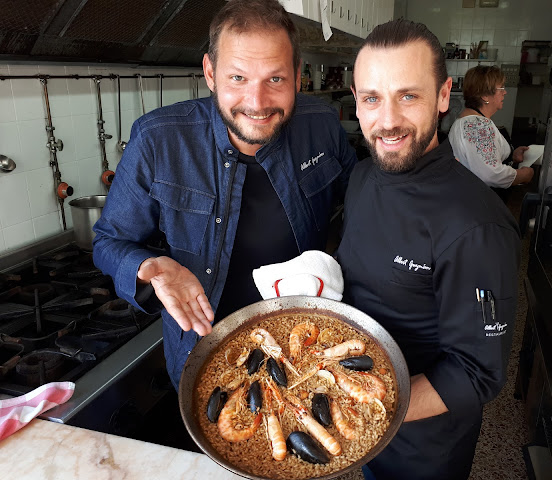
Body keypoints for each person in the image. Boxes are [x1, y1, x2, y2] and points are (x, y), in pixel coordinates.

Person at [92, 0, 357, 391]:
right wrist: (149, 267)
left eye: (276, 79)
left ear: (298, 77)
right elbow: (108, 242)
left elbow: (361, 208)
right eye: (237, 78)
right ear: (210, 73)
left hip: (304, 346)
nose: (257, 101)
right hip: (205, 352)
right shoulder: (157, 139)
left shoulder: (321, 126)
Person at [336, 19, 521, 479]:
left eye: (409, 95)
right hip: (363, 424)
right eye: (371, 98)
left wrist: (370, 411)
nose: (388, 120)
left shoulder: (475, 224)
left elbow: (476, 371)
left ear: (443, 96)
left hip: (425, 446)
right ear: (356, 101)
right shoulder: (361, 177)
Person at [448, 65, 534, 189]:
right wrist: (523, 175)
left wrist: (513, 156)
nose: (505, 92)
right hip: (477, 199)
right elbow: (492, 175)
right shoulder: (478, 126)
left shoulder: (470, 121)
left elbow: (480, 160)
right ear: (484, 95)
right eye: (501, 88)